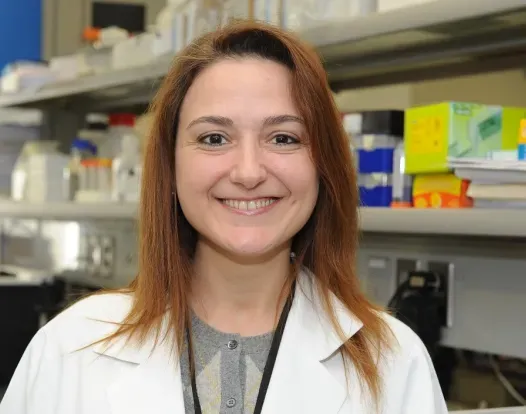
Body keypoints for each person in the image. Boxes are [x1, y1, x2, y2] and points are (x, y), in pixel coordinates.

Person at [0, 21, 448, 414]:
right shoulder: (70, 349)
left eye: (284, 138)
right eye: (214, 138)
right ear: (170, 165)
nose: (249, 172)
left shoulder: (393, 361)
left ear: (323, 163)